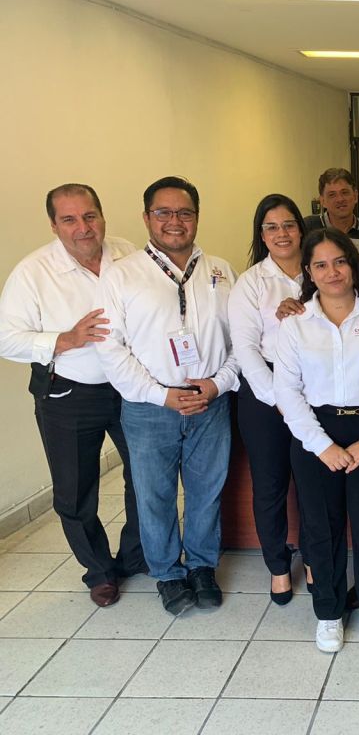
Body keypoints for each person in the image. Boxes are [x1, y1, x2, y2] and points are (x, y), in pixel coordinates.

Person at [96, 176, 238, 616]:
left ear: (197, 217)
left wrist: (217, 383)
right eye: (164, 212)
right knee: (154, 495)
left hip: (210, 403)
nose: (175, 221)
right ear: (146, 218)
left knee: (206, 491)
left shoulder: (220, 270)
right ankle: (167, 573)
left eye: (185, 212)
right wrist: (161, 395)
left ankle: (201, 566)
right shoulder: (121, 275)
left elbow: (241, 342)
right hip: (149, 408)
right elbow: (111, 348)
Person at [0, 183, 145, 607]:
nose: (83, 227)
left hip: (129, 387)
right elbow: (6, 338)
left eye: (89, 216)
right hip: (68, 394)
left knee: (146, 476)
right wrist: (65, 338)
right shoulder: (33, 272)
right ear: (54, 225)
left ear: (102, 215)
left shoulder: (127, 253)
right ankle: (99, 571)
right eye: (69, 219)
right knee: (75, 490)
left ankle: (134, 556)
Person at [274, 227, 359, 653]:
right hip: (316, 434)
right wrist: (323, 446)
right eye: (320, 265)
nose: (332, 272)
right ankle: (329, 613)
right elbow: (286, 392)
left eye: (339, 262)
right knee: (320, 528)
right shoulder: (296, 325)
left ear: (353, 265)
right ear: (309, 272)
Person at [228, 194, 306, 605]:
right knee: (270, 483)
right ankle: (278, 566)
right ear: (261, 234)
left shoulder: (321, 269)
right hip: (265, 393)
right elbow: (244, 349)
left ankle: (313, 559)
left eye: (289, 224)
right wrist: (278, 397)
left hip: (316, 387)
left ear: (301, 228)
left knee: (313, 481)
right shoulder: (251, 282)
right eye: (272, 227)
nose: (282, 233)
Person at [303, 168, 359, 258]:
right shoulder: (307, 228)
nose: (340, 199)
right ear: (322, 201)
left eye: (345, 193)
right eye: (332, 195)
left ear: (355, 196)